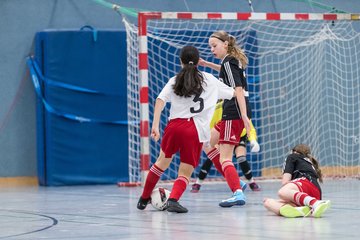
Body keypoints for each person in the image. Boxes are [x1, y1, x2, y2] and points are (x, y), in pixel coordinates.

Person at [137, 45, 236, 213]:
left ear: (180, 61)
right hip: (195, 129)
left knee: (161, 162)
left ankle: (144, 198)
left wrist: (155, 125)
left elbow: (160, 100)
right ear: (199, 61)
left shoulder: (175, 79)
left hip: (174, 126)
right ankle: (173, 200)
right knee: (185, 170)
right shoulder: (209, 79)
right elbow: (233, 93)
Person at [200, 30, 251, 207]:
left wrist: (244, 115)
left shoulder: (229, 62)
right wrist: (207, 63)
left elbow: (237, 89)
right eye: (210, 47)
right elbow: (224, 71)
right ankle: (237, 182)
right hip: (232, 111)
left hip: (234, 110)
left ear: (225, 44)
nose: (212, 49)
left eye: (214, 46)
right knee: (206, 143)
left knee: (225, 158)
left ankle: (237, 193)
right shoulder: (230, 61)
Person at [191, 102, 261, 193]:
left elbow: (249, 126)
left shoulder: (240, 106)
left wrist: (253, 140)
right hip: (223, 133)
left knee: (241, 157)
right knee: (213, 155)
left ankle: (251, 182)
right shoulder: (218, 107)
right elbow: (212, 125)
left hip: (239, 135)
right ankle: (198, 182)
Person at [263, 144, 331, 218]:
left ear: (293, 151)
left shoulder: (292, 156)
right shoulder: (308, 162)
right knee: (268, 202)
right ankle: (300, 210)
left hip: (305, 183)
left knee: (282, 192)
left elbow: (285, 182)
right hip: (315, 192)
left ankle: (314, 203)